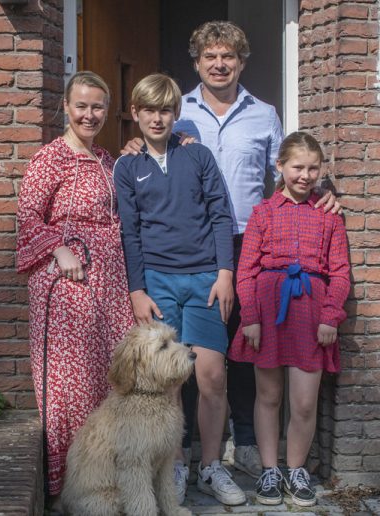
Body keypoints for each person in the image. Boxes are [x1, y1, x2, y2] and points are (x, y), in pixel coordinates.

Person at [122, 21, 340, 481]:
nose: (219, 65)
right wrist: (137, 144)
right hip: (191, 248)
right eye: (210, 57)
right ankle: (182, 448)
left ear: (241, 62)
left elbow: (282, 173)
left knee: (243, 344)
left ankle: (243, 442)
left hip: (251, 240)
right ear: (197, 63)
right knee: (185, 351)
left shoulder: (264, 113)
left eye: (228, 57)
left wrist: (325, 190)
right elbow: (154, 149)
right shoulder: (179, 113)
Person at [114, 73, 246, 506]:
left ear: (177, 113)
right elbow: (129, 233)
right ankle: (173, 464)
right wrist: (137, 290)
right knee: (168, 381)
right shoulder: (127, 166)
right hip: (158, 281)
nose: (157, 118)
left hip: (206, 279)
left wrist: (225, 273)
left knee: (211, 376)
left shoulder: (199, 156)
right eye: (148, 110)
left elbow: (221, 216)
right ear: (136, 113)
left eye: (165, 110)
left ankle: (210, 466)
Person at [16, 71, 134, 509]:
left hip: (109, 280)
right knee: (71, 384)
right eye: (81, 105)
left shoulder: (106, 160)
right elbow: (28, 216)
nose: (90, 114)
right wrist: (58, 248)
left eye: (98, 106)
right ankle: (69, 487)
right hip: (67, 281)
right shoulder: (50, 158)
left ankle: (103, 482)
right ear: (65, 107)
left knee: (109, 379)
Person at [229, 132, 350, 507]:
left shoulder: (329, 216)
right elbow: (245, 270)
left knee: (303, 403)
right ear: (279, 166)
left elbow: (341, 272)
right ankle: (269, 470)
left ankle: (296, 470)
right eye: (298, 167)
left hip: (311, 315)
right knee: (268, 396)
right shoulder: (263, 212)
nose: (306, 175)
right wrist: (249, 316)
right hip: (267, 313)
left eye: (314, 168)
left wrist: (330, 315)